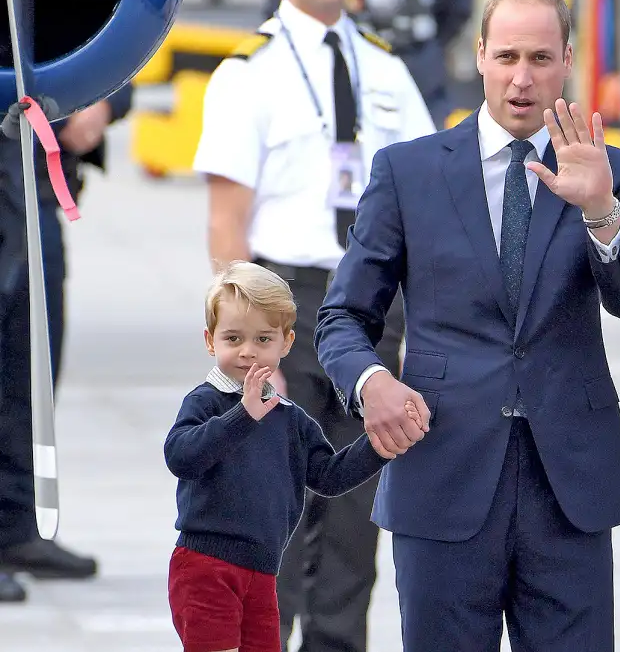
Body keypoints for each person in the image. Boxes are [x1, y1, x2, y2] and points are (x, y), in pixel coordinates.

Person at [313, 0, 620, 650]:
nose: (522, 78)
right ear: (479, 56)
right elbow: (341, 318)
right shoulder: (408, 172)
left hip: (570, 488)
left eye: (540, 58)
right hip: (443, 473)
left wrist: (601, 211)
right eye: (506, 56)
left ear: (567, 59)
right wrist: (371, 383)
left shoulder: (612, 171)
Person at [193, 0, 435, 648]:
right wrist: (245, 343)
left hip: (369, 308)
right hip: (283, 300)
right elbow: (227, 223)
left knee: (358, 503)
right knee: (275, 497)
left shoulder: (386, 68)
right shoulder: (248, 73)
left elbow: (428, 196)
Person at [163, 261, 404, 652]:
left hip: (262, 571)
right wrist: (242, 415)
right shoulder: (205, 401)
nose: (247, 352)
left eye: (262, 340)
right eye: (233, 339)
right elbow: (181, 456)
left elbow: (326, 476)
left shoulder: (289, 418)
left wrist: (375, 445)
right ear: (211, 342)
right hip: (206, 566)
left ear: (286, 344)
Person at [0, 85, 134, 603]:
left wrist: (100, 104)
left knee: (32, 371)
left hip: (29, 188)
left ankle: (14, 525)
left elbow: (118, 45)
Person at [265, 0, 475, 129]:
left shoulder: (390, 68)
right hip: (329, 62)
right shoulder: (255, 72)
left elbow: (457, 8)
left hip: (420, 76)